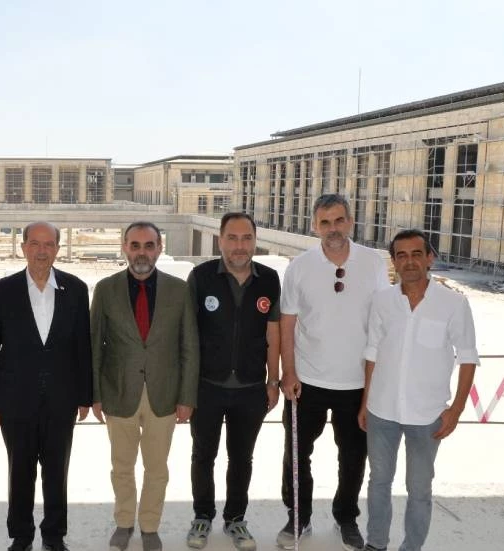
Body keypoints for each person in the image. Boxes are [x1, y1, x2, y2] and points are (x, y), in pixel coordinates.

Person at [277, 193, 389, 551]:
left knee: (353, 457)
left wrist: (376, 381)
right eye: (325, 222)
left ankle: (346, 518)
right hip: (306, 380)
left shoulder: (373, 263)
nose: (333, 228)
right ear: (314, 226)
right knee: (296, 454)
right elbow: (287, 323)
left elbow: (383, 319)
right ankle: (299, 516)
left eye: (339, 220)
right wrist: (288, 372)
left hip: (356, 382)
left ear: (351, 222)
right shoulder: (300, 267)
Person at [359, 229, 479, 551]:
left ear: (429, 258)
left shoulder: (453, 304)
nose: (409, 261)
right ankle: (376, 543)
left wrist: (456, 409)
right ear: (394, 262)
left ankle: (411, 547)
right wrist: (365, 402)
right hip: (381, 410)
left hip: (427, 416)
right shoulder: (382, 301)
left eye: (416, 254)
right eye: (401, 255)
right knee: (378, 482)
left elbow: (468, 358)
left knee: (419, 489)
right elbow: (372, 353)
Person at [0, 221, 93, 551]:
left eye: (48, 244)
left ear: (58, 249)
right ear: (23, 248)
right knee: (20, 471)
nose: (41, 251)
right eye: (34, 243)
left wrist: (85, 396)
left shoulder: (76, 289)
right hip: (15, 401)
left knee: (57, 472)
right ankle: (21, 535)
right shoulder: (3, 291)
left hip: (62, 399)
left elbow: (83, 346)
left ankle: (54, 535)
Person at [91, 221, 200, 551]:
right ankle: (124, 522)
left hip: (164, 394)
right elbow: (95, 346)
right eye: (135, 245)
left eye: (149, 245)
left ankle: (150, 526)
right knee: (121, 467)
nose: (142, 252)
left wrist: (187, 397)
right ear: (124, 247)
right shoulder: (105, 289)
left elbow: (189, 346)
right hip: (118, 392)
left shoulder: (179, 290)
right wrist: (95, 394)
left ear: (159, 249)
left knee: (157, 468)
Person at [185, 213, 281, 551]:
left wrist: (273, 380)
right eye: (232, 238)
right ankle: (202, 515)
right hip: (207, 386)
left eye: (246, 238)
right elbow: (187, 334)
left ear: (255, 240)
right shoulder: (201, 277)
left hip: (251, 389)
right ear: (220, 240)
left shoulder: (269, 279)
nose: (240, 246)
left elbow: (273, 332)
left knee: (242, 458)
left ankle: (236, 518)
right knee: (203, 455)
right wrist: (186, 387)